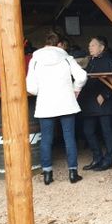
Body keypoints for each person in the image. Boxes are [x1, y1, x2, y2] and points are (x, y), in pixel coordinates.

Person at [26, 30, 87, 185]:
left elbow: (31, 87)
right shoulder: (67, 58)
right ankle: (73, 173)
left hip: (45, 104)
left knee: (46, 139)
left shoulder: (35, 59)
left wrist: (42, 91)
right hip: (66, 102)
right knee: (69, 138)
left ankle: (47, 174)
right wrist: (75, 89)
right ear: (60, 44)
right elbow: (82, 76)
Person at [78, 36, 112, 172]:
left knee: (107, 132)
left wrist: (105, 95)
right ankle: (97, 158)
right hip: (89, 102)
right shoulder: (90, 61)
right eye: (90, 46)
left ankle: (108, 160)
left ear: (102, 47)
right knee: (88, 131)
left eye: (93, 45)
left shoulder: (108, 61)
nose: (90, 48)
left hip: (103, 102)